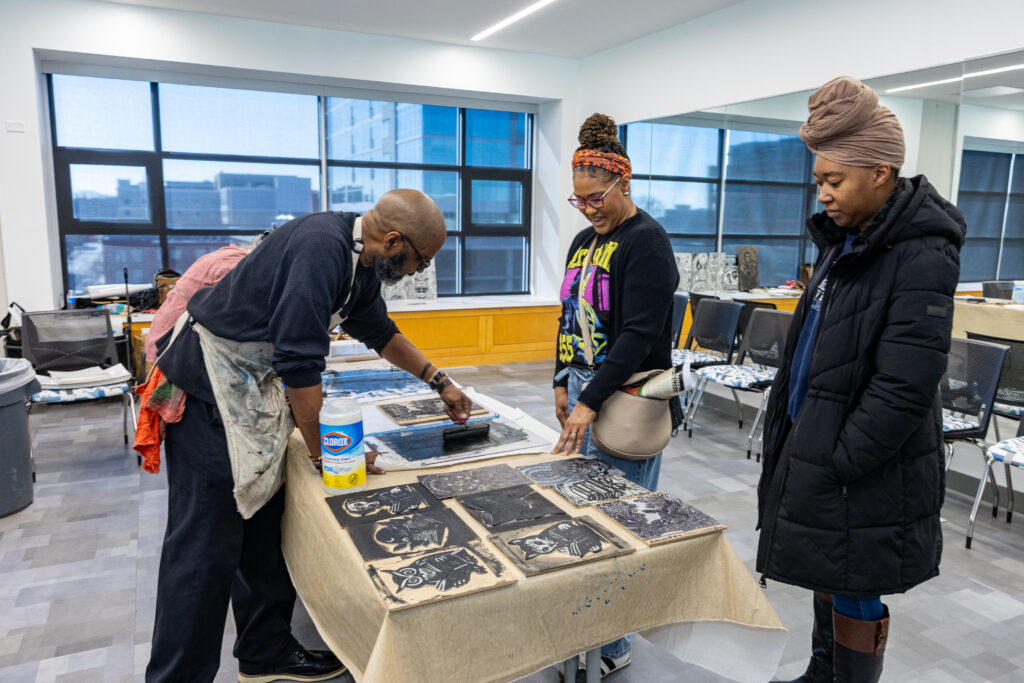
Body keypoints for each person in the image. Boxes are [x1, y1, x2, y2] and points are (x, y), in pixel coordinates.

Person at [145, 189, 473, 683]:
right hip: (206, 394)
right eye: (418, 260)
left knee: (262, 528)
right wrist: (330, 456)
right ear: (391, 240)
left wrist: (439, 381)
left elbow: (380, 332)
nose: (417, 273)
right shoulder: (321, 246)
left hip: (247, 394)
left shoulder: (358, 262)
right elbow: (299, 364)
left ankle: (265, 652)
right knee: (202, 554)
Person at [756, 77, 964, 683]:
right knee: (832, 569)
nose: (821, 194)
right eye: (819, 180)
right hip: (819, 442)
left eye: (833, 181)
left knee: (855, 583)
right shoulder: (845, 242)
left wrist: (839, 458)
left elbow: (906, 385)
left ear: (880, 172)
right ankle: (824, 672)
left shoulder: (922, 253)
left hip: (861, 465)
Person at [551, 113, 678, 678]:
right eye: (579, 201)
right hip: (585, 386)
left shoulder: (647, 244)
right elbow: (568, 310)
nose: (589, 209)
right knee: (582, 515)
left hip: (627, 395)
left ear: (623, 184)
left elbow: (637, 338)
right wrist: (560, 376)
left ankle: (613, 641)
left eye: (597, 197)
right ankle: (582, 624)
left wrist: (589, 399)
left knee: (620, 522)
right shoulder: (584, 241)